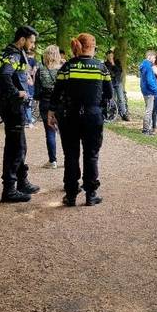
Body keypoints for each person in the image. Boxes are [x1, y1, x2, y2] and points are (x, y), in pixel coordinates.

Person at [47, 33, 113, 207]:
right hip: (93, 116)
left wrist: (51, 112)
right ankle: (91, 194)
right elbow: (109, 94)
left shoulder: (67, 67)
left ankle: (71, 195)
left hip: (70, 116)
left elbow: (57, 92)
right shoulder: (101, 68)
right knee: (91, 155)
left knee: (71, 155)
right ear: (92, 47)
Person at [0, 26, 40, 203]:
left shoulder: (6, 53)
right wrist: (16, 92)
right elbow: (5, 75)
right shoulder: (13, 55)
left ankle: (21, 181)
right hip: (12, 105)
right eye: (31, 41)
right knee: (16, 147)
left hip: (9, 104)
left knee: (19, 144)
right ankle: (9, 190)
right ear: (22, 39)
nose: (33, 45)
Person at [36, 45, 62, 169]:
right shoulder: (62, 69)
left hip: (46, 102)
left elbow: (36, 91)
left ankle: (53, 161)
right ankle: (69, 159)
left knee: (50, 132)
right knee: (65, 132)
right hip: (60, 103)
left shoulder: (40, 70)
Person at [104, 49, 130, 121]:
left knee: (121, 99)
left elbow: (119, 71)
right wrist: (113, 73)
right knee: (112, 99)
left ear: (113, 56)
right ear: (107, 56)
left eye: (111, 55)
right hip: (110, 83)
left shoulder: (117, 62)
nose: (110, 57)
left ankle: (123, 114)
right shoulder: (105, 64)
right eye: (109, 56)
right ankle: (112, 114)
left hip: (118, 82)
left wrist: (113, 64)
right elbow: (108, 72)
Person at [139, 51, 157, 135]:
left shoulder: (144, 65)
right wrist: (155, 90)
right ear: (149, 57)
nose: (154, 60)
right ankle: (146, 129)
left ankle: (148, 128)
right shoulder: (148, 67)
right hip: (149, 91)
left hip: (145, 90)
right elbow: (149, 80)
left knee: (148, 109)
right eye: (154, 58)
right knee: (149, 110)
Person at [23, 49, 37, 129]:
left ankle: (25, 120)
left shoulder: (22, 61)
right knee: (29, 104)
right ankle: (29, 121)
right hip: (29, 85)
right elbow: (34, 71)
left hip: (23, 85)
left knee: (24, 103)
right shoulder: (33, 61)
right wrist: (33, 81)